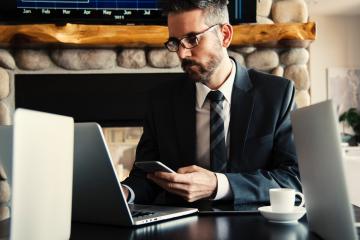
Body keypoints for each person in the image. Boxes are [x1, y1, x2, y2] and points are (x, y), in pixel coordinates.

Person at [121, 0, 301, 206]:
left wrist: (219, 185)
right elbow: (147, 176)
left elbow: (293, 178)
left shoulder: (277, 94)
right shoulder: (160, 100)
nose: (182, 53)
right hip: (182, 228)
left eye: (192, 39)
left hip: (253, 225)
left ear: (224, 35)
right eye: (175, 42)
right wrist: (124, 192)